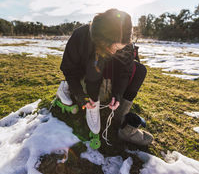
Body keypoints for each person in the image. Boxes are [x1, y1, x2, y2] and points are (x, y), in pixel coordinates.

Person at [57, 8, 153, 146]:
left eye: (120, 48)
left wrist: (118, 94)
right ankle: (90, 103)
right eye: (114, 48)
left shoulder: (124, 41)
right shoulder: (80, 35)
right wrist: (80, 95)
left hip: (108, 75)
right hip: (85, 76)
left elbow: (125, 70)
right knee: (96, 66)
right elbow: (68, 69)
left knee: (140, 70)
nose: (116, 51)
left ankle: (120, 117)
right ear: (103, 39)